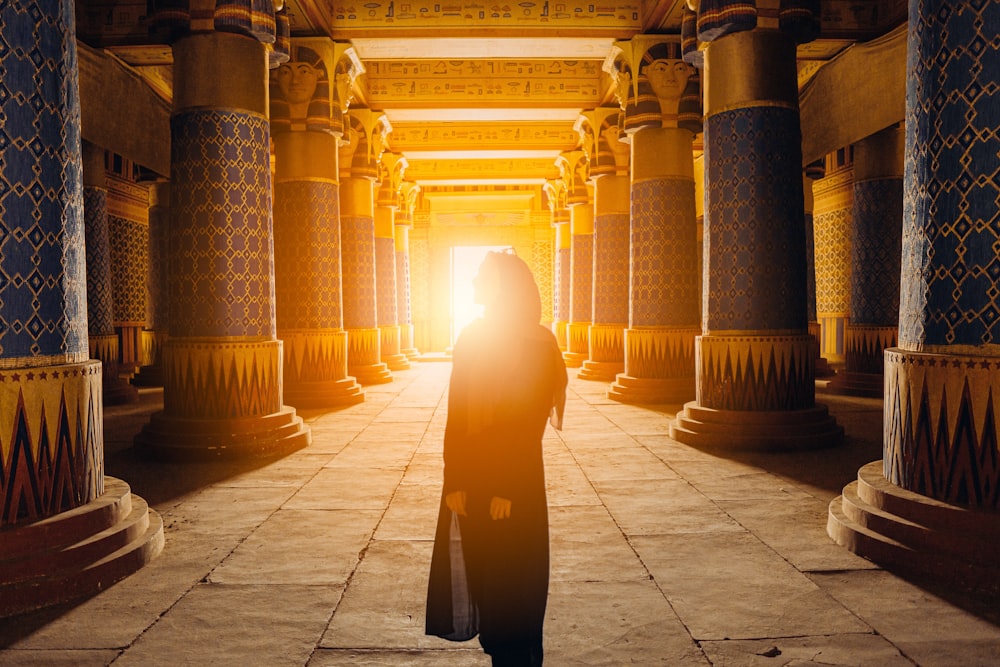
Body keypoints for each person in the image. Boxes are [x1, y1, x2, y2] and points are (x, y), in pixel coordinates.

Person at [426, 250, 568, 667]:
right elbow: (456, 415)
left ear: (502, 286)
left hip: (514, 481)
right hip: (474, 479)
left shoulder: (538, 343)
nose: (472, 284)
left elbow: (527, 421)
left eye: (481, 277)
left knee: (514, 582)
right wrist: (455, 480)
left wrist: (509, 487)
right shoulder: (473, 337)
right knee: (486, 574)